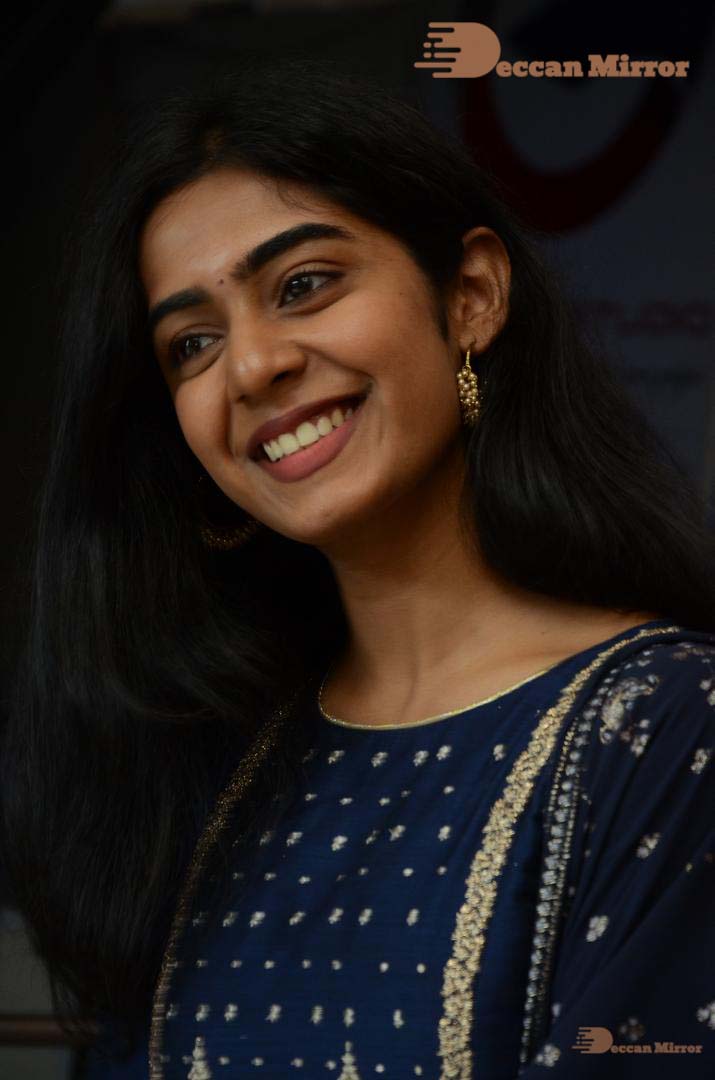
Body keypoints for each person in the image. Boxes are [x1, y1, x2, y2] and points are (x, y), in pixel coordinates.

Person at [1, 56, 714, 1080]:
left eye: (303, 285)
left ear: (470, 295)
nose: (253, 365)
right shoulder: (199, 765)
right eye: (191, 344)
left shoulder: (664, 729)